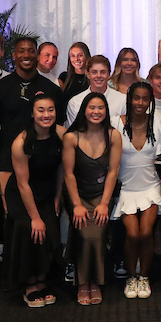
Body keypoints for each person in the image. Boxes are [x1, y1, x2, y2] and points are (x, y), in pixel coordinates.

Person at [5, 94, 66, 307]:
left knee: (49, 229)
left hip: (47, 191)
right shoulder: (21, 142)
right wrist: (35, 217)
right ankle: (29, 284)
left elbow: (61, 168)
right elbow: (23, 184)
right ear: (32, 113)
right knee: (31, 229)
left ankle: (42, 279)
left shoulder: (60, 134)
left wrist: (58, 197)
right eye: (41, 110)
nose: (46, 115)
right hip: (22, 194)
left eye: (50, 110)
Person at [63, 92, 122, 305]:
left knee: (96, 236)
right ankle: (82, 283)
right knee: (85, 235)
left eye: (100, 108)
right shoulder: (72, 137)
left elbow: (113, 172)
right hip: (77, 195)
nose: (96, 112)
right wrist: (76, 205)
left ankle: (96, 283)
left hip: (102, 195)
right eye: (92, 108)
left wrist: (105, 203)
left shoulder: (113, 135)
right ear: (84, 110)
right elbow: (68, 174)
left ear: (106, 111)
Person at [113, 81, 161, 299]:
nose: (140, 103)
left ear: (150, 101)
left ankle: (143, 277)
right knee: (133, 234)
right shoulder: (116, 123)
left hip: (150, 188)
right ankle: (130, 277)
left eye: (145, 99)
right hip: (126, 189)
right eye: (136, 98)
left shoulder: (158, 125)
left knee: (145, 233)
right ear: (129, 99)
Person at [0, 37, 65, 187]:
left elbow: (59, 124)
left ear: (37, 55)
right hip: (8, 160)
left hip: (44, 161)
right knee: (10, 207)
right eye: (21, 51)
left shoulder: (52, 90)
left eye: (31, 51)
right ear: (14, 55)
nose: (26, 55)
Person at [65, 55, 127, 124]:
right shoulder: (75, 102)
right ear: (88, 74)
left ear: (109, 74)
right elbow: (74, 132)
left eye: (103, 72)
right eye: (94, 72)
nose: (98, 76)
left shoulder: (122, 101)